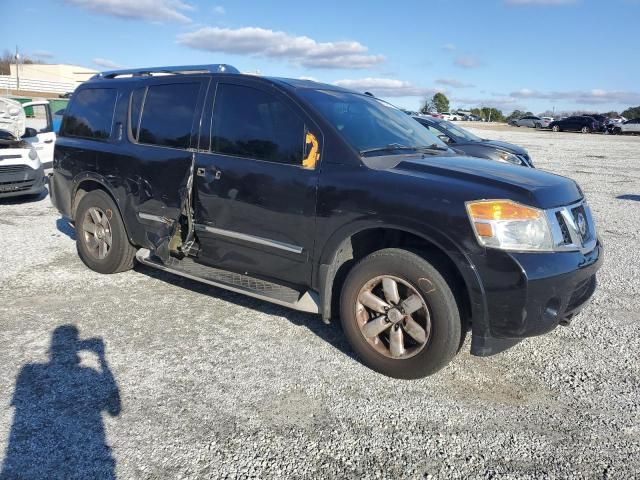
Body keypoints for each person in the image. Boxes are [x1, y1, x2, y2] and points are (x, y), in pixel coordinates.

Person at [1, 325, 121, 479]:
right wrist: (101, 358)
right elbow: (114, 409)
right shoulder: (88, 373)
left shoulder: (29, 371)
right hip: (83, 454)